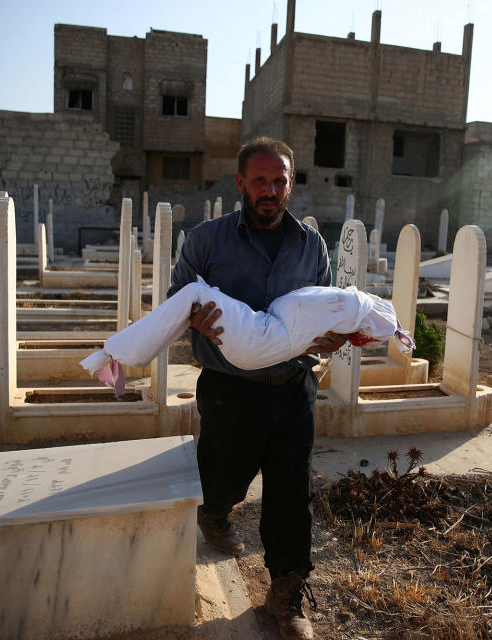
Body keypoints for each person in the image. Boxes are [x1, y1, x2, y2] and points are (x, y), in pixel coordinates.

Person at [169, 137, 344, 640]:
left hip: (293, 387)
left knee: (292, 493)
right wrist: (195, 317)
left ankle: (286, 594)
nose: (271, 190)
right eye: (261, 180)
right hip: (230, 390)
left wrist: (333, 335)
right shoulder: (207, 241)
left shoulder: (311, 244)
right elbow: (176, 300)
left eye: (280, 180)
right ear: (241, 183)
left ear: (291, 183)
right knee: (224, 474)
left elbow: (323, 305)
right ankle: (216, 511)